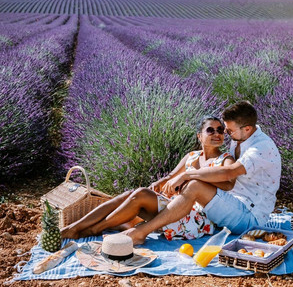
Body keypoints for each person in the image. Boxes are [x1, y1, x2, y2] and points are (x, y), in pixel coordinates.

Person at [123, 100, 281, 245]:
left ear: (247, 129)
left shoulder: (261, 147)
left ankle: (141, 232)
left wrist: (187, 174)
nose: (225, 133)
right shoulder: (241, 136)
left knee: (194, 186)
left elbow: (230, 172)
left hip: (250, 216)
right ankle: (124, 224)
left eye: (229, 130)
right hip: (233, 203)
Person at [61, 115, 235, 240]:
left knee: (141, 194)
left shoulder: (225, 159)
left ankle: (94, 229)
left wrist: (189, 178)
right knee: (130, 194)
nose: (216, 134)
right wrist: (159, 183)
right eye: (210, 130)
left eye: (220, 130)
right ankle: (74, 228)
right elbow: (171, 176)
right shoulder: (192, 156)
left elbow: (229, 182)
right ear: (200, 136)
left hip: (197, 218)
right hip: (174, 208)